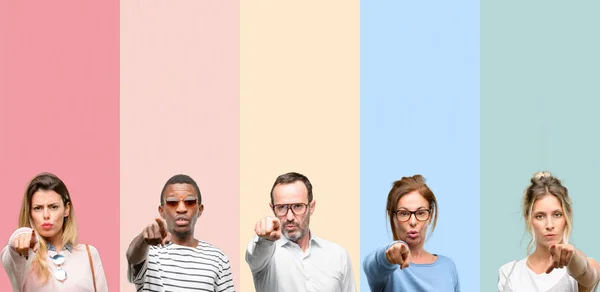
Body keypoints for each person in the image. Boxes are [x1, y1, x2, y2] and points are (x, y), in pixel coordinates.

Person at [245, 172, 356, 292]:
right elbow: (256, 254)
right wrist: (264, 239)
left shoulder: (337, 255)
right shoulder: (265, 254)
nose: (290, 217)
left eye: (298, 206)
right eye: (282, 207)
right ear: (273, 208)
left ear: (311, 207)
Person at [126, 174, 235, 292]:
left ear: (200, 209)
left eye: (190, 202)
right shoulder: (148, 252)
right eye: (172, 202)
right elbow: (132, 257)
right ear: (161, 211)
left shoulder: (217, 258)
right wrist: (143, 238)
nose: (181, 209)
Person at [1, 172, 108, 292]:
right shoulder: (25, 257)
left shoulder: (89, 254)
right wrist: (20, 235)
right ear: (30, 213)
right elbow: (10, 255)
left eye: (53, 207)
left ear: (66, 209)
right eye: (38, 208)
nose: (46, 215)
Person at [498, 171, 600, 292]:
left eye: (557, 214)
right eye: (540, 216)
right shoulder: (509, 273)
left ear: (567, 215)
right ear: (528, 219)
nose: (550, 225)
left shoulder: (583, 267)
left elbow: (587, 274)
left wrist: (573, 256)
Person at [363, 174, 460, 291]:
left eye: (420, 213)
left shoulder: (448, 267)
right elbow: (372, 263)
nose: (413, 222)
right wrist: (391, 251)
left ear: (430, 216)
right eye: (404, 213)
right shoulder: (385, 267)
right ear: (391, 216)